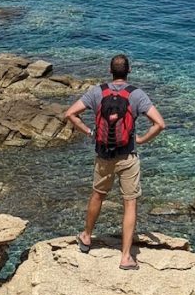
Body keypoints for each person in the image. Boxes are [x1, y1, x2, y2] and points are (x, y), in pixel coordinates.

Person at [63, 54, 165, 270]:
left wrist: (90, 132)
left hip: (103, 156)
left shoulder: (97, 92)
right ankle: (126, 257)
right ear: (128, 71)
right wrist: (141, 139)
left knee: (97, 195)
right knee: (130, 203)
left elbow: (70, 114)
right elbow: (159, 124)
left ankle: (87, 237)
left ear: (110, 71)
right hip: (128, 156)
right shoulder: (137, 94)